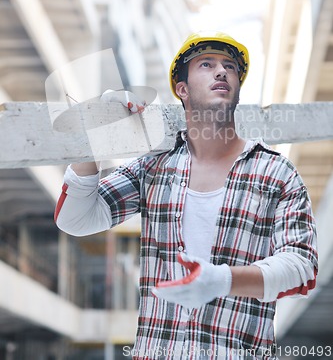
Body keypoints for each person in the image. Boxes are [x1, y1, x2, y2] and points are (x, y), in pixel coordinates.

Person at [55, 31, 318, 359]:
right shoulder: (154, 168)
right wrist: (91, 134)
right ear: (182, 89)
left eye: (230, 67)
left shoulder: (276, 173)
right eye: (206, 64)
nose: (221, 71)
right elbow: (75, 219)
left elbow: (302, 267)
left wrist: (222, 280)